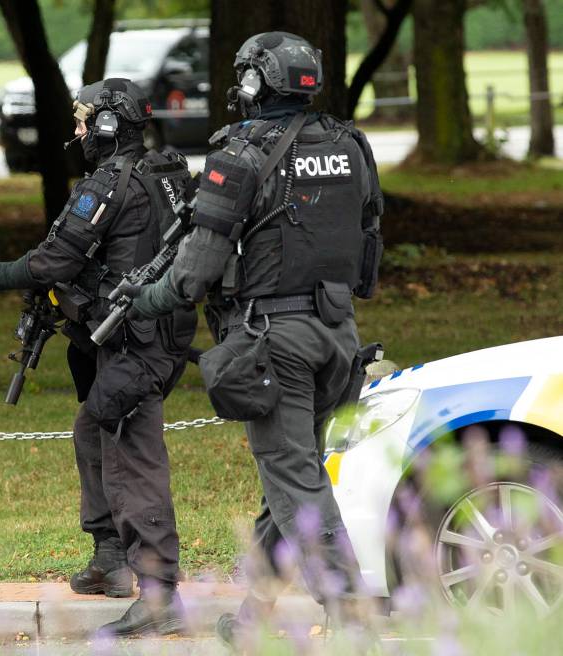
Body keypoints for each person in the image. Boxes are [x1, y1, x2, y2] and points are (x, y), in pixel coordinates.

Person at [130, 32, 385, 649]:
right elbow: (369, 234)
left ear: (252, 85)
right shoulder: (351, 143)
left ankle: (351, 614)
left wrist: (147, 299)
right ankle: (253, 619)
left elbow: (194, 270)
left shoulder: (238, 153)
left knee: (294, 477)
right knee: (292, 473)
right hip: (339, 333)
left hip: (276, 341)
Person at [0, 78, 197, 637]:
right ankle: (109, 558)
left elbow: (52, 262)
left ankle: (159, 593)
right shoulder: (167, 170)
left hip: (135, 340)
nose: (79, 132)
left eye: (86, 122)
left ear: (110, 126)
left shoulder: (110, 182)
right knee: (91, 431)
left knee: (132, 457)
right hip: (156, 332)